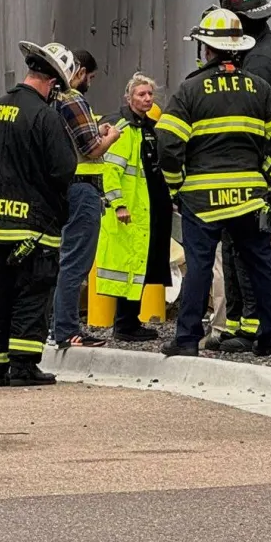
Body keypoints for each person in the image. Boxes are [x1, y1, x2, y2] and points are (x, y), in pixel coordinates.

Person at [155, 8, 271, 358]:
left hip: (201, 199)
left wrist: (177, 186)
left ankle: (187, 339)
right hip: (249, 197)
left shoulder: (190, 90)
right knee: (261, 264)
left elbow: (168, 145)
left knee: (200, 267)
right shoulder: (260, 89)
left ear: (206, 49)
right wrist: (268, 181)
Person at [0, 41, 79, 386]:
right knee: (31, 294)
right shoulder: (45, 117)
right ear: (51, 84)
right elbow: (64, 169)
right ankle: (22, 365)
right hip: (33, 228)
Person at [212, 0, 271, 354]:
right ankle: (239, 323)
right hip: (264, 168)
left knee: (254, 248)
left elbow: (251, 115)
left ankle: (255, 327)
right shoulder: (269, 46)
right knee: (238, 246)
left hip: (263, 171)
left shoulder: (261, 60)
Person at [93, 74, 172, 343]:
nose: (147, 99)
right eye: (141, 94)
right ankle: (125, 324)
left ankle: (130, 321)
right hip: (131, 211)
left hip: (148, 208)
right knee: (129, 267)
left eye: (150, 94)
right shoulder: (123, 127)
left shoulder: (149, 127)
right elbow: (111, 170)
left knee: (141, 266)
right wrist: (119, 204)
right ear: (129, 98)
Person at [51, 49, 121, 349]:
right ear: (78, 72)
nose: (88, 83)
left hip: (60, 189)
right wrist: (111, 136)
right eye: (89, 77)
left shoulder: (50, 100)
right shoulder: (72, 98)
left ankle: (55, 326)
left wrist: (96, 129)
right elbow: (92, 149)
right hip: (82, 190)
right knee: (75, 262)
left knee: (61, 260)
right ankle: (66, 329)